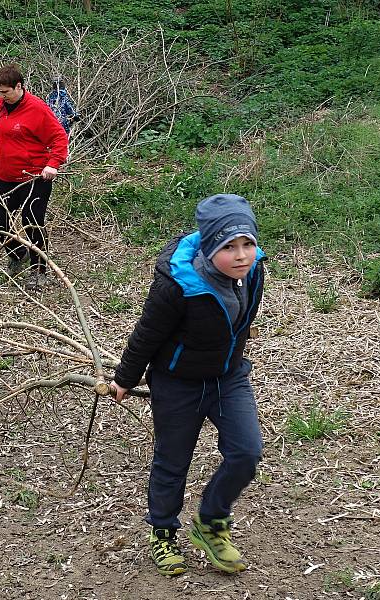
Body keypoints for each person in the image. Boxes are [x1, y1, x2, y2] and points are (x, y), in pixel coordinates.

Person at [110, 194, 266, 576]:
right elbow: (148, 332)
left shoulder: (254, 271)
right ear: (210, 246)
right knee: (172, 460)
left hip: (228, 377)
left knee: (246, 453)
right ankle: (163, 532)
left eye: (248, 243)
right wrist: (125, 378)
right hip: (177, 384)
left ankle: (211, 522)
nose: (243, 255)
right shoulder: (178, 285)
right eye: (230, 247)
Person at [0, 64, 69, 291]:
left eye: (5, 92)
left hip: (33, 177)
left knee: (32, 222)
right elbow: (0, 129)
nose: (1, 97)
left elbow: (59, 138)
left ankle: (39, 271)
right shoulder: (1, 104)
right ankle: (18, 253)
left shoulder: (37, 109)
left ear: (19, 86)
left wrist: (53, 164)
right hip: (3, 174)